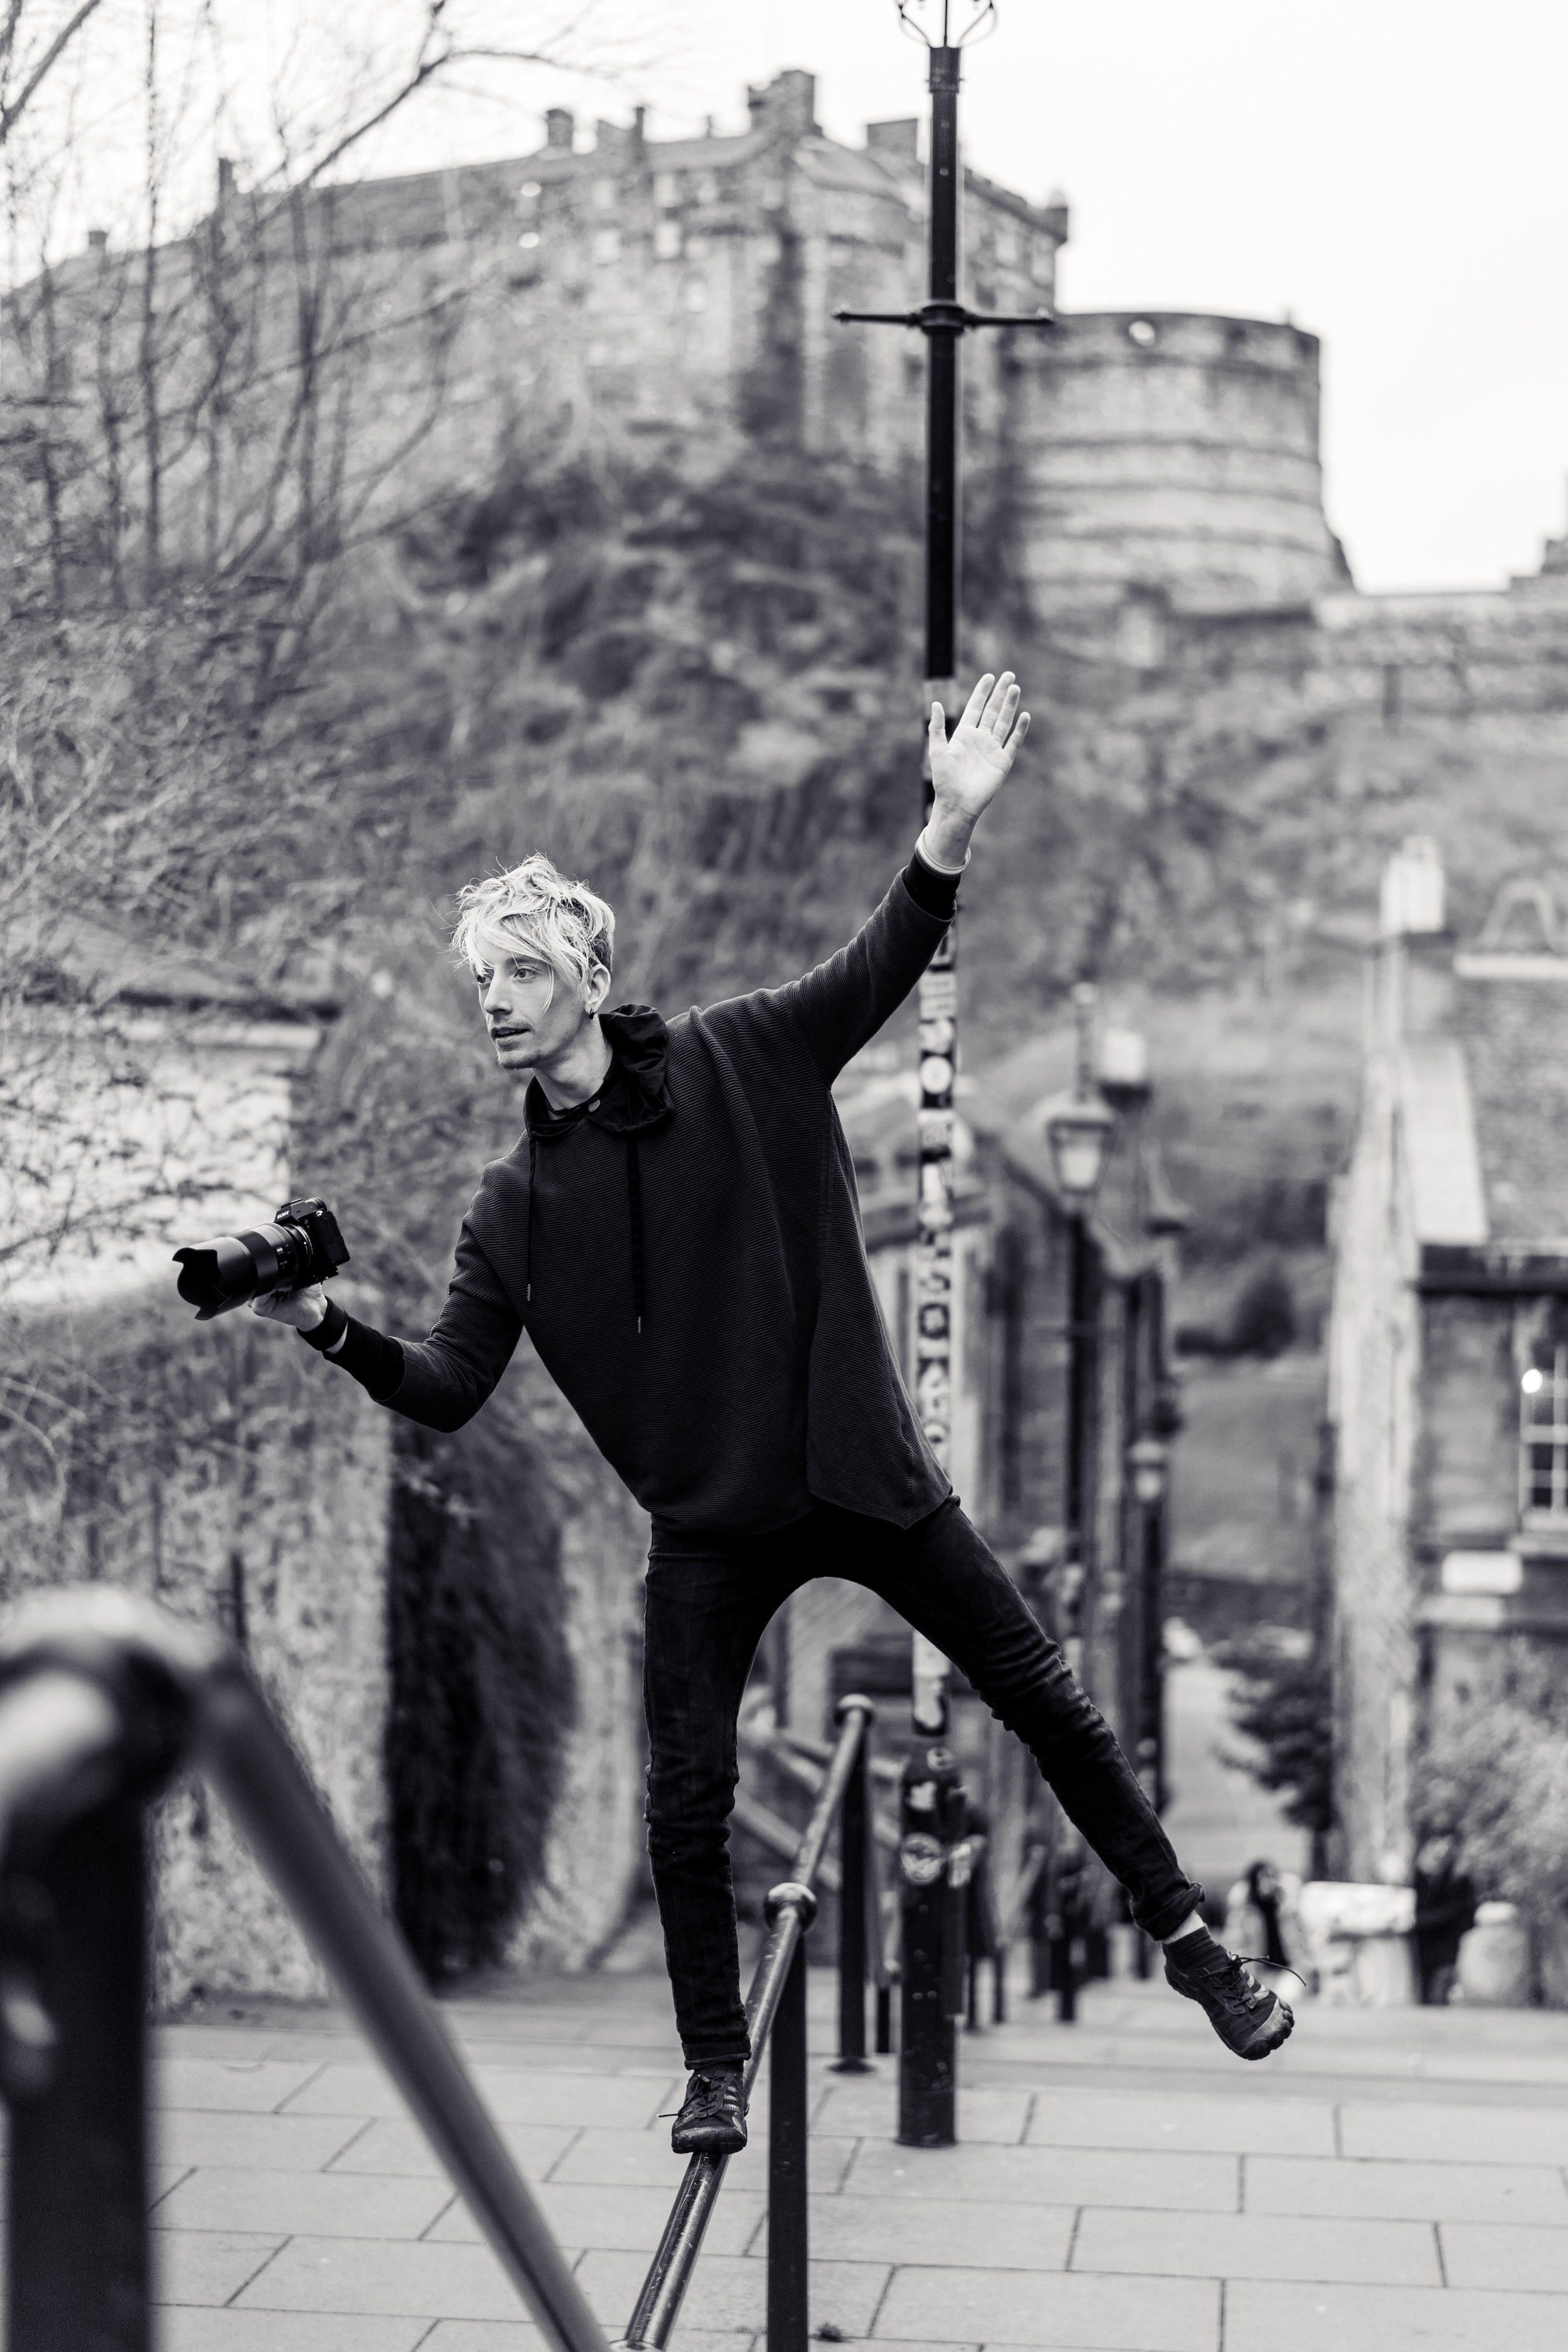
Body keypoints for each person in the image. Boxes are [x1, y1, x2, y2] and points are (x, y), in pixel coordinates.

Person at [255, 671, 1294, 2154]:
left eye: (519, 974)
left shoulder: (747, 1051)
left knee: (1045, 1692)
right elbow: (445, 1384)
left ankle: (1191, 1936)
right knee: (686, 1796)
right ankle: (713, 2064)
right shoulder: (515, 1206)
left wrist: (946, 823)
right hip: (711, 1520)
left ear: (582, 971)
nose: (494, 1002)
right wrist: (325, 1324)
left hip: (863, 1469)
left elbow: (889, 951)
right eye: (480, 981)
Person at [1412, 1831, 1476, 2006]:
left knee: (1438, 1994)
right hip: (1425, 1944)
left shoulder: (1459, 1877)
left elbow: (1462, 1911)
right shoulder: (1426, 1874)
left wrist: (1426, 1921)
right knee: (1426, 1994)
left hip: (1447, 1943)